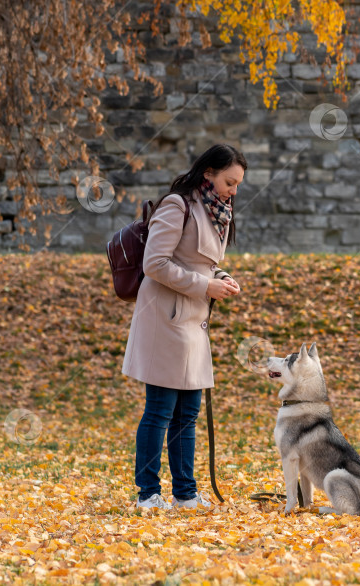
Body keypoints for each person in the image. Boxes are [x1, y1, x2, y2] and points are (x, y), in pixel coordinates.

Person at [122, 144, 246, 510]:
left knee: (187, 413)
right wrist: (207, 285)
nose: (233, 191)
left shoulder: (215, 210)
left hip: (193, 320)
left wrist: (222, 277)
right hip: (165, 317)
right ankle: (148, 494)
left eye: (238, 184)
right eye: (229, 181)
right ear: (208, 172)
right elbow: (155, 263)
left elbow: (202, 262)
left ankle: (185, 494)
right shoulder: (178, 205)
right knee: (160, 410)